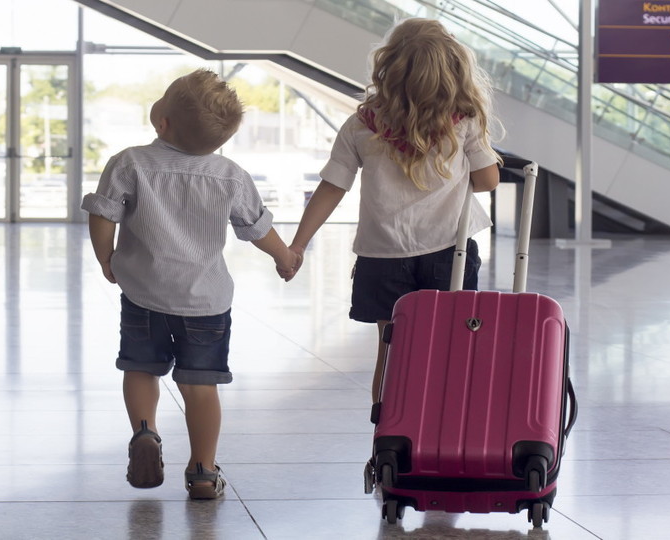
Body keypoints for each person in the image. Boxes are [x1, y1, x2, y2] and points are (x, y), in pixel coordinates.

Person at [81, 69, 300, 499]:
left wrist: (106, 257)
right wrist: (285, 256)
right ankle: (202, 471)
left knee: (140, 368)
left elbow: (103, 213)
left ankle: (145, 432)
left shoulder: (130, 162)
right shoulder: (230, 175)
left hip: (143, 293)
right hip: (206, 301)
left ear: (162, 122)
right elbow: (257, 228)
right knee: (200, 386)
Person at [283, 18, 503, 403]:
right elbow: (487, 181)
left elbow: (332, 186)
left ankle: (388, 424)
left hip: (382, 253)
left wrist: (298, 245)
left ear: (390, 66)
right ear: (451, 67)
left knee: (391, 345)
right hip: (448, 250)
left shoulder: (360, 124)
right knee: (449, 342)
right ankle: (442, 419)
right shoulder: (463, 120)